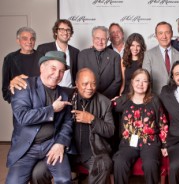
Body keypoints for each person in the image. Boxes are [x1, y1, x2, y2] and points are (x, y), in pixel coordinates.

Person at [31, 68, 115, 184]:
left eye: (93, 84)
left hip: (94, 153)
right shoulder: (64, 95)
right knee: (38, 173)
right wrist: (18, 80)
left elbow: (110, 130)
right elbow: (42, 85)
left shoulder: (104, 102)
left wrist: (92, 119)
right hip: (65, 151)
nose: (90, 87)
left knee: (103, 164)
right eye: (85, 84)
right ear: (76, 84)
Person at [6, 51, 73, 184]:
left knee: (64, 179)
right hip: (27, 148)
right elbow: (23, 117)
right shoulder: (23, 86)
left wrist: (60, 143)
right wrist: (52, 109)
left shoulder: (65, 93)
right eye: (53, 69)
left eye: (61, 71)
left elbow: (68, 122)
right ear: (42, 67)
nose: (57, 75)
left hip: (52, 144)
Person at [113, 68, 168, 184]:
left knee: (150, 164)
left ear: (149, 84)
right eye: (137, 80)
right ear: (132, 82)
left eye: (144, 81)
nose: (140, 84)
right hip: (128, 142)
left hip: (150, 142)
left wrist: (164, 145)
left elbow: (162, 122)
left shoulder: (154, 100)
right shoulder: (124, 100)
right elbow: (108, 107)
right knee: (119, 162)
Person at [143, 21, 179, 95]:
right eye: (160, 33)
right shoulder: (148, 55)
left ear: (172, 34)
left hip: (178, 99)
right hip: (156, 99)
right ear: (156, 36)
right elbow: (145, 80)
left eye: (167, 32)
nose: (164, 36)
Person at [78, 26, 122, 99]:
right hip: (87, 97)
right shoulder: (82, 55)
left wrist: (103, 97)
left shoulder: (115, 56)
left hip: (108, 98)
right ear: (93, 38)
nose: (100, 41)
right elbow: (80, 78)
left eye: (103, 39)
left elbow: (117, 80)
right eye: (97, 38)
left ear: (108, 39)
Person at [2, 27, 43, 103]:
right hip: (20, 103)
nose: (29, 41)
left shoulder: (42, 57)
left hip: (40, 103)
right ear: (18, 41)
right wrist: (16, 100)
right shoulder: (10, 59)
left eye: (32, 39)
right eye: (25, 38)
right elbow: (5, 88)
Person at [37, 19, 80, 87]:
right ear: (56, 32)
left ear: (71, 33)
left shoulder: (76, 52)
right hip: (48, 90)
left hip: (69, 91)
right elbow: (38, 70)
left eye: (68, 30)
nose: (65, 32)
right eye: (62, 29)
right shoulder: (43, 49)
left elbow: (77, 72)